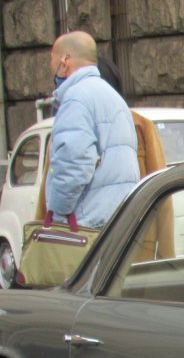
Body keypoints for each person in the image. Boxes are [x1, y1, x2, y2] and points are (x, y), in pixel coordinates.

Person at [44, 31, 139, 227]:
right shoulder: (113, 97)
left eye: (52, 62)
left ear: (65, 61)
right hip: (118, 218)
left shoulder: (76, 98)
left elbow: (74, 165)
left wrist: (58, 215)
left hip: (87, 222)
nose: (52, 69)